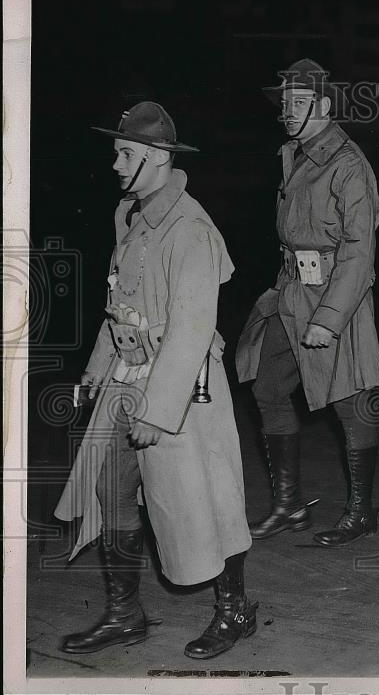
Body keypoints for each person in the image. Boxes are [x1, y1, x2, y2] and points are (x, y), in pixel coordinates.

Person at [54, 101, 255, 659]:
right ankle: (125, 614)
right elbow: (119, 308)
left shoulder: (190, 228)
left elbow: (192, 329)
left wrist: (155, 411)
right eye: (117, 152)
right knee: (110, 488)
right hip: (128, 375)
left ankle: (235, 610)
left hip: (185, 386)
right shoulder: (133, 217)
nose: (116, 164)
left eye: (126, 154)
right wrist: (96, 372)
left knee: (207, 499)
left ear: (159, 158)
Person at [235, 59, 379, 546]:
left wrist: (329, 319)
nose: (287, 112)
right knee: (268, 389)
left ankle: (361, 511)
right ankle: (289, 504)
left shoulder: (348, 165)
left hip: (335, 295)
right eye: (285, 104)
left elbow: (359, 252)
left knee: (348, 401)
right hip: (292, 290)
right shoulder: (292, 155)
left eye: (298, 104)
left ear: (323, 106)